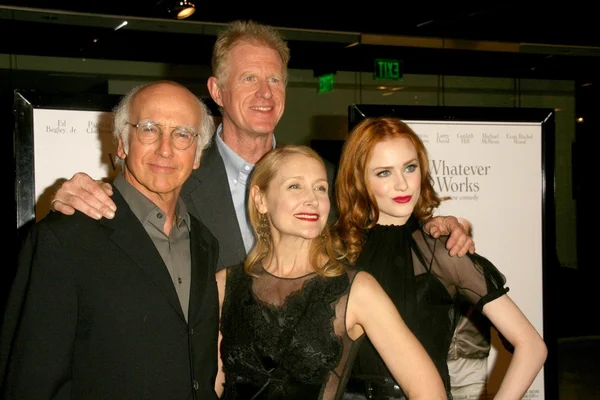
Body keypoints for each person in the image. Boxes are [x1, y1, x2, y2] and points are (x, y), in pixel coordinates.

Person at [48, 20, 475, 271]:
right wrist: (68, 199)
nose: (265, 93)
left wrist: (435, 232)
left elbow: (379, 240)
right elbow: (119, 222)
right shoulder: (177, 172)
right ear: (216, 90)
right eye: (249, 79)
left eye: (274, 80)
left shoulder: (326, 179)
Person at [1, 81, 220, 399]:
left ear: (198, 154)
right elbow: (32, 383)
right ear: (121, 143)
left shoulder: (203, 242)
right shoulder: (65, 238)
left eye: (183, 134)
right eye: (149, 129)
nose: (165, 148)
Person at [334, 117, 548, 400]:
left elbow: (532, 346)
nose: (402, 184)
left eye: (410, 167)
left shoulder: (440, 251)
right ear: (359, 179)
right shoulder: (338, 249)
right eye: (384, 173)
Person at [214, 144, 447, 400]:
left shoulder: (356, 290)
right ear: (260, 199)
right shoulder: (225, 285)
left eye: (320, 188)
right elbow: (212, 385)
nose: (312, 199)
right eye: (295, 186)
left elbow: (429, 392)